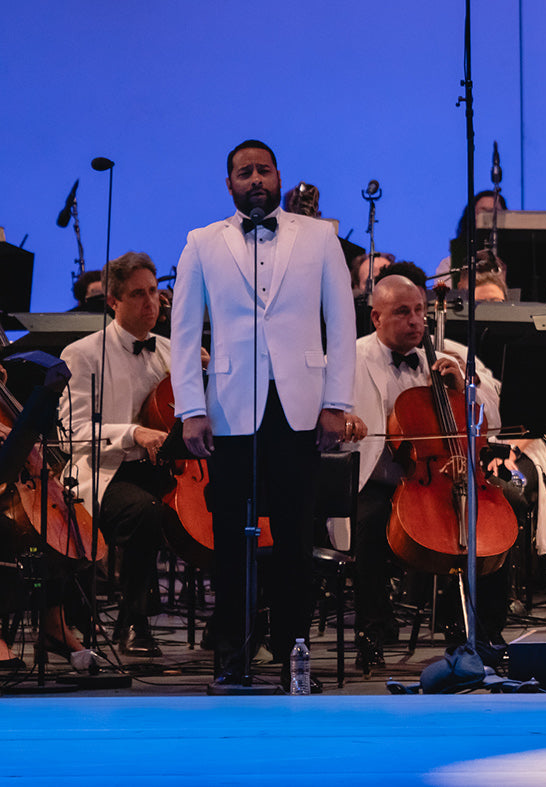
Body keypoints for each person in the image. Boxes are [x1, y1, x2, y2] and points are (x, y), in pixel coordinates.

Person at [170, 139, 356, 692]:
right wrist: (191, 408)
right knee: (231, 537)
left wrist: (336, 403)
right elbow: (183, 333)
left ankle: (295, 656)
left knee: (297, 536)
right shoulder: (201, 243)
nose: (256, 179)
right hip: (228, 409)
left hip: (300, 405)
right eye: (244, 172)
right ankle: (231, 656)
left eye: (264, 170)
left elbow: (342, 325)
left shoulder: (320, 237)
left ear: (279, 177)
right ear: (229, 184)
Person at [339, 274, 503, 672]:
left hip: (445, 478)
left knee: (502, 509)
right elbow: (323, 415)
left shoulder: (451, 354)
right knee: (370, 522)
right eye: (402, 313)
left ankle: (485, 632)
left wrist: (465, 388)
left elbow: (493, 421)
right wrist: (342, 419)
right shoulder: (347, 358)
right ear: (376, 317)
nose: (416, 321)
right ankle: (371, 633)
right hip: (377, 480)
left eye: (419, 311)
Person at [59, 252, 179, 657]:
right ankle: (133, 620)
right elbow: (72, 433)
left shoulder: (171, 351)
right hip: (106, 472)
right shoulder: (83, 354)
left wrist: (206, 379)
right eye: (138, 295)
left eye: (154, 293)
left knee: (231, 506)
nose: (151, 304)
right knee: (146, 512)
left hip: (163, 468)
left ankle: (233, 627)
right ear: (113, 301)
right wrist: (133, 433)